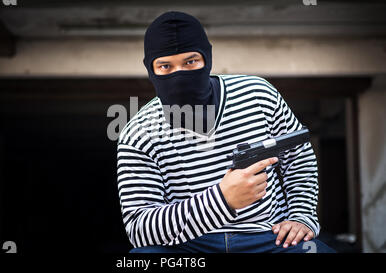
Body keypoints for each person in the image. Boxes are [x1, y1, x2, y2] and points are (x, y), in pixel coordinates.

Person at [116, 11, 335, 253]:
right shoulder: (137, 133)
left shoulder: (257, 94)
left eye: (190, 62)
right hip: (188, 246)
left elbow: (299, 157)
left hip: (268, 237)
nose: (179, 75)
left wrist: (301, 216)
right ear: (151, 69)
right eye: (165, 66)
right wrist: (222, 200)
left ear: (207, 59)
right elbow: (139, 229)